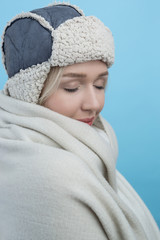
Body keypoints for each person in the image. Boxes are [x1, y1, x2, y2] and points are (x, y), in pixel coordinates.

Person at [0, 2, 159, 240]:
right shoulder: (55, 173)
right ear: (30, 92)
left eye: (100, 85)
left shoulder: (91, 146)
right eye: (72, 87)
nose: (94, 104)